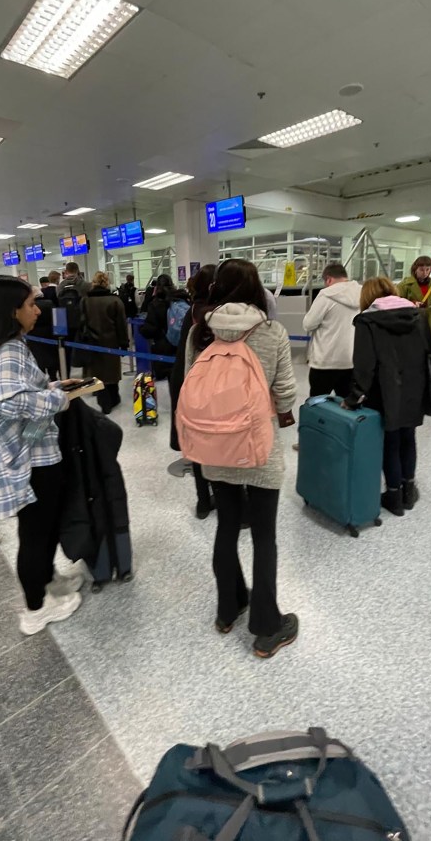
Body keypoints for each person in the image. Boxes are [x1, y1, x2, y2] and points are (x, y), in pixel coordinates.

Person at [0, 275, 98, 635]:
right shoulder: (9, 350)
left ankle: (48, 580)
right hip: (31, 461)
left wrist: (53, 385)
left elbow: (16, 389)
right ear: (12, 311)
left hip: (25, 456)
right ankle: (35, 608)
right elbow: (3, 398)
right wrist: (57, 399)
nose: (37, 311)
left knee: (42, 528)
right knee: (36, 533)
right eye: (30, 305)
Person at [186, 259, 298, 659]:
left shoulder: (200, 331)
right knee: (264, 534)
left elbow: (190, 386)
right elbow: (285, 393)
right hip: (259, 448)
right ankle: (268, 625)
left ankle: (228, 607)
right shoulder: (272, 332)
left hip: (215, 448)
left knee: (227, 525)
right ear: (256, 290)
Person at [344, 277, 431, 517]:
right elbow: (427, 351)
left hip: (385, 389)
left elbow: (364, 365)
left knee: (390, 443)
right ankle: (408, 491)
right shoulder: (416, 315)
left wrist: (352, 398)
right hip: (415, 385)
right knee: (408, 438)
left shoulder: (367, 320)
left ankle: (393, 496)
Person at [169, 264, 216, 519]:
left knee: (197, 446)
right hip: (215, 389)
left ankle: (202, 501)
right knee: (219, 445)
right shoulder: (219, 314)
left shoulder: (193, 312)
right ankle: (221, 495)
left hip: (190, 385)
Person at [302, 263, 362, 398]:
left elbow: (308, 324)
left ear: (328, 279)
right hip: (351, 361)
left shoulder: (326, 295)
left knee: (318, 404)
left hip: (325, 361)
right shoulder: (363, 292)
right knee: (348, 405)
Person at [78, 271, 129, 414]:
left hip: (92, 343)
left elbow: (81, 323)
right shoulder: (115, 301)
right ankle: (114, 398)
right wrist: (124, 343)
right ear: (107, 283)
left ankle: (104, 402)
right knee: (112, 372)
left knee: (98, 373)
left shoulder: (85, 301)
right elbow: (121, 325)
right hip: (110, 343)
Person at [397, 256, 431, 354]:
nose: (425, 273)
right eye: (421, 270)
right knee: (412, 353)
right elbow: (396, 301)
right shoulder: (404, 285)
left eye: (428, 269)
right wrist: (411, 303)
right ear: (415, 269)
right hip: (411, 323)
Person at [140, 273, 189, 380]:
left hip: (163, 348)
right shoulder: (181, 299)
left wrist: (142, 329)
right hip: (181, 348)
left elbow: (150, 329)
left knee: (172, 381)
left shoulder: (155, 304)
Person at [28, 285, 59, 380]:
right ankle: (53, 377)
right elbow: (56, 318)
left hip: (33, 335)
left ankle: (42, 380)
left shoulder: (31, 307)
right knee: (52, 358)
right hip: (50, 335)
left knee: (39, 359)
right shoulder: (50, 303)